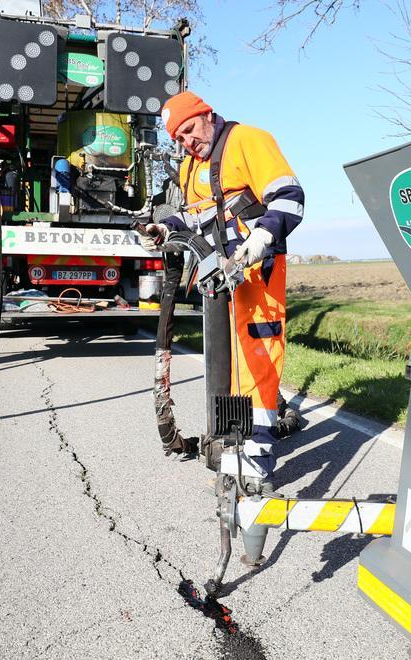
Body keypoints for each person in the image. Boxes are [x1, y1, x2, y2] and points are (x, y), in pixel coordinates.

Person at [142, 91, 305, 483]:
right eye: (178, 138)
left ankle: (260, 455)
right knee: (230, 365)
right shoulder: (188, 168)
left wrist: (261, 239)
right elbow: (194, 216)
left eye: (188, 130)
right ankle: (237, 441)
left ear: (206, 115)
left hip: (257, 269)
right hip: (219, 276)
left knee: (260, 356)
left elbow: (290, 198)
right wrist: (166, 227)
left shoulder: (249, 141)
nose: (186, 141)